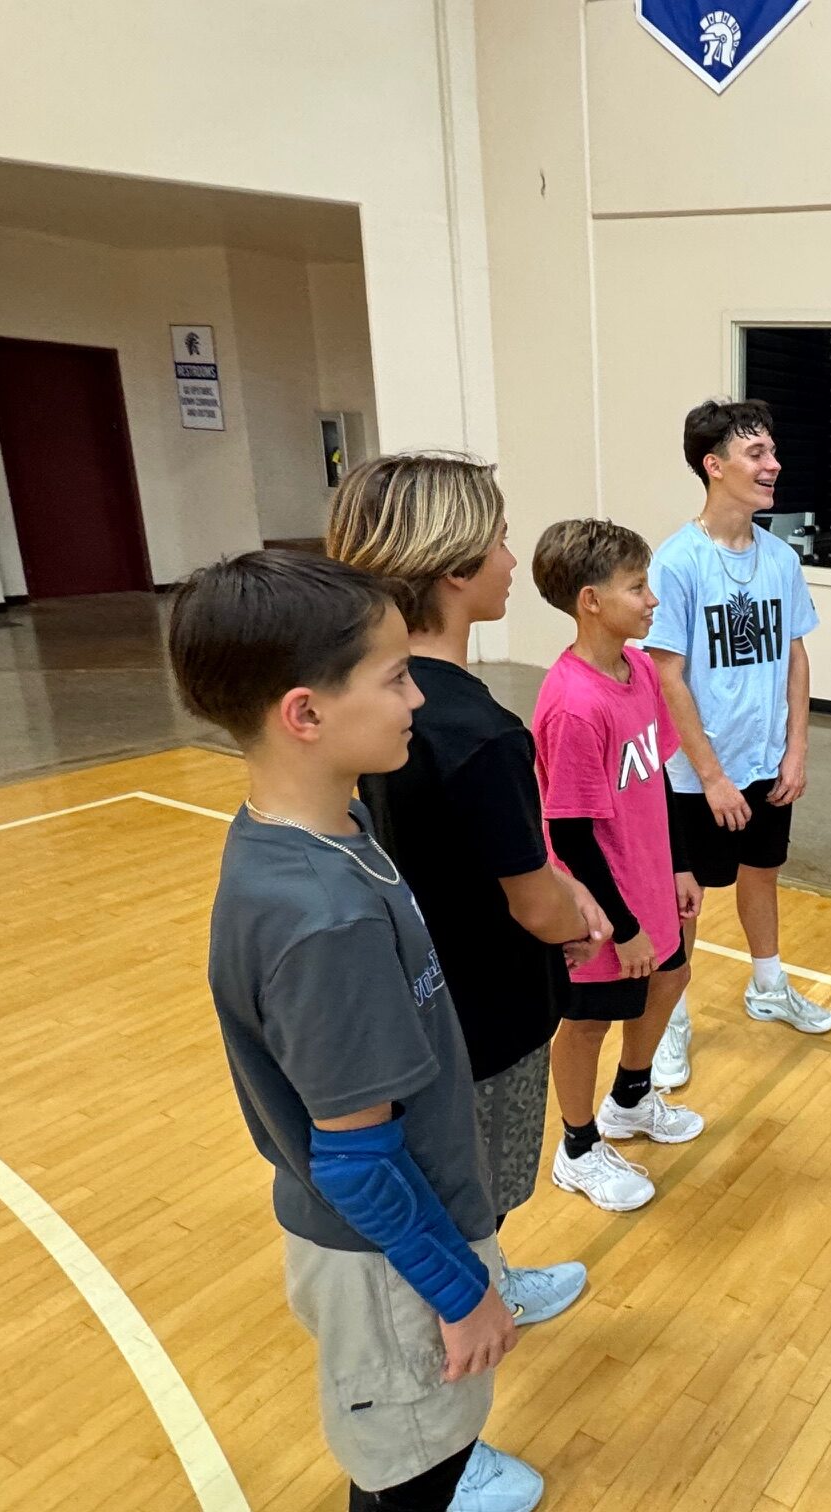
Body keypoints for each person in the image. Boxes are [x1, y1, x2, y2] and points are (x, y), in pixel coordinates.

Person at [171, 551, 543, 1512]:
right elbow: (355, 1163)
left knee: (418, 1449)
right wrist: (460, 1291)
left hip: (401, 1245)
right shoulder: (320, 919)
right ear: (306, 713)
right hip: (390, 1263)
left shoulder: (328, 829)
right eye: (394, 678)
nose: (418, 697)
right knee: (409, 1476)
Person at [330, 451, 607, 1330]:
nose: (512, 561)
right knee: (463, 1196)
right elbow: (533, 902)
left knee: (454, 1197)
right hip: (480, 1020)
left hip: (399, 1009)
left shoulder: (350, 707)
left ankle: (488, 1273)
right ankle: (442, 1452)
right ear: (455, 568)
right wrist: (582, 914)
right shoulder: (479, 731)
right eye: (499, 540)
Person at [643, 398, 831, 1089]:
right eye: (757, 453)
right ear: (713, 465)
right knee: (683, 900)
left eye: (772, 451)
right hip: (699, 775)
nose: (773, 464)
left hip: (765, 760)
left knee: (763, 870)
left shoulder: (780, 557)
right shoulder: (676, 561)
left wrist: (796, 749)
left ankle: (768, 984)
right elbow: (667, 676)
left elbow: (796, 655)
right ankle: (670, 1020)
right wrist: (712, 775)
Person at [533, 517, 706, 1215]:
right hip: (602, 905)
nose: (652, 599)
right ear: (591, 601)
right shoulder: (575, 705)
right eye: (637, 587)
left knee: (675, 976)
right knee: (588, 1023)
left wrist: (680, 865)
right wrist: (624, 925)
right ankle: (576, 1147)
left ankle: (631, 1099)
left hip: (648, 877)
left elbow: (660, 773)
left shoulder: (636, 669)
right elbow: (569, 834)